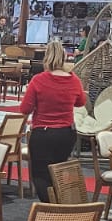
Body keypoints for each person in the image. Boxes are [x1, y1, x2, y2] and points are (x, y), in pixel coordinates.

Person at [18, 41, 87, 202]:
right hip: (66, 133)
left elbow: (25, 109)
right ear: (64, 57)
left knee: (41, 175)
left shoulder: (38, 80)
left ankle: (50, 206)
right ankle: (60, 203)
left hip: (43, 133)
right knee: (59, 172)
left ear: (46, 57)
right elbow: (81, 102)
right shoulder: (74, 80)